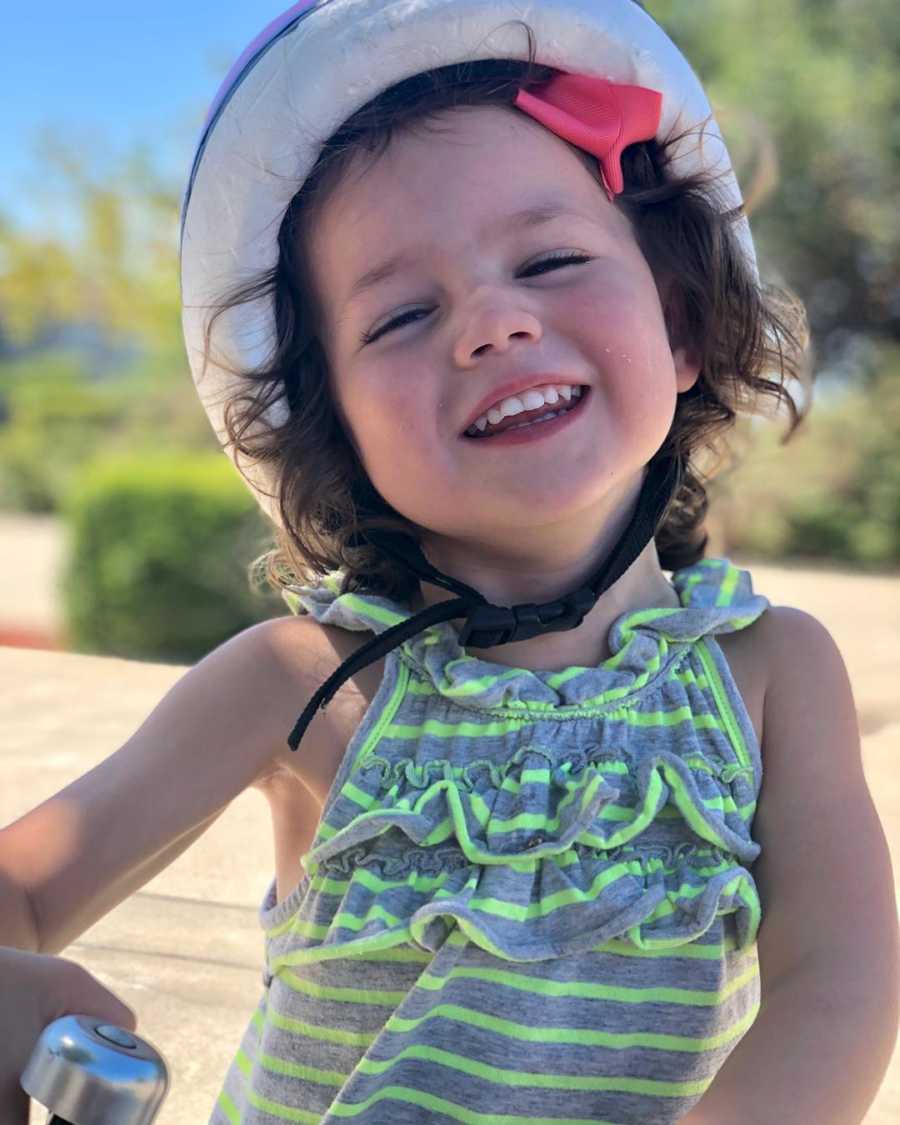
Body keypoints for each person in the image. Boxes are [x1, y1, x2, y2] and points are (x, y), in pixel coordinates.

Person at [2, 0, 897, 1122]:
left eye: (554, 257)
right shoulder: (309, 681)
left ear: (679, 327)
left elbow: (840, 979)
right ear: (335, 432)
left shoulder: (771, 676)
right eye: (402, 315)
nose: (491, 323)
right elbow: (28, 881)